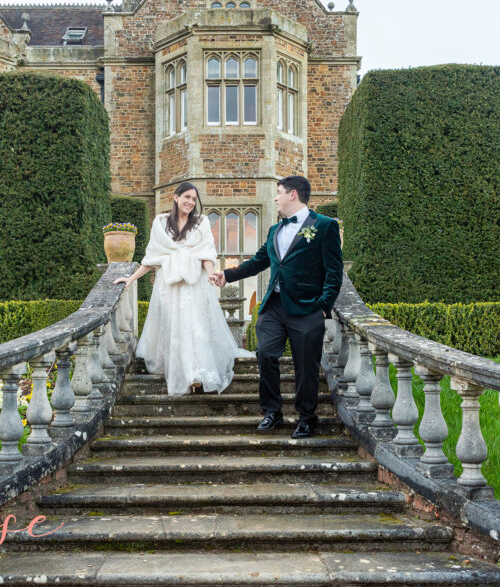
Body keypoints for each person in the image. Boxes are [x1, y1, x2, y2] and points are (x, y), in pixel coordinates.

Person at [210, 176, 342, 438]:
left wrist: (323, 306)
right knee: (266, 353)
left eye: (278, 192)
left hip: (307, 308)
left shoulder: (325, 226)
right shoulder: (275, 230)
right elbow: (259, 261)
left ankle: (306, 417)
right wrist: (227, 275)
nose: (275, 197)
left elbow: (334, 272)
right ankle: (272, 411)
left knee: (306, 365)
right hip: (274, 306)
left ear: (293, 194)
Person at [115, 182, 253, 396]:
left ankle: (194, 375)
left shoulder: (201, 223)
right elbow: (152, 258)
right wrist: (130, 279)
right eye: (187, 197)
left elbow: (206, 254)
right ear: (176, 197)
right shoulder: (160, 223)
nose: (190, 202)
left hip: (194, 284)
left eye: (194, 199)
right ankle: (180, 371)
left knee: (193, 326)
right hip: (168, 285)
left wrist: (211, 274)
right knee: (175, 328)